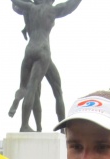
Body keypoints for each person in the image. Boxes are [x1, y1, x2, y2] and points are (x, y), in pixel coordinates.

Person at [8, 0, 82, 132]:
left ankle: (19, 104)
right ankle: (58, 129)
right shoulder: (52, 10)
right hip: (43, 51)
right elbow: (70, 6)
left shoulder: (30, 8)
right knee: (53, 91)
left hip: (29, 50)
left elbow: (16, 4)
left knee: (25, 87)